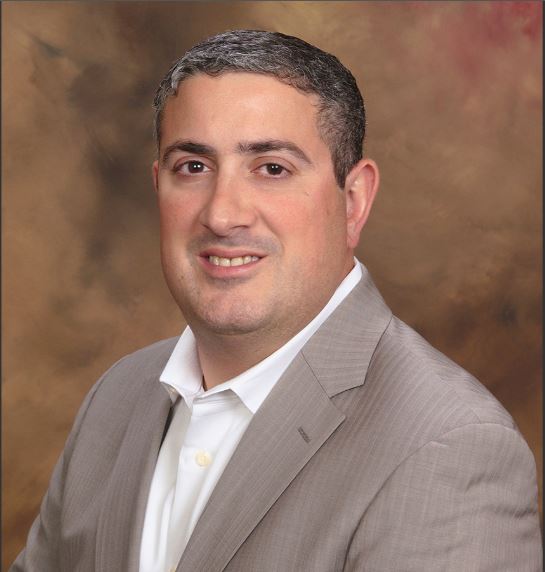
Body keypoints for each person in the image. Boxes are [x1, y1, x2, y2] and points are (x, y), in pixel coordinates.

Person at [11, 29, 541, 572]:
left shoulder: (449, 445)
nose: (222, 214)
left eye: (272, 169)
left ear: (353, 201)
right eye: (193, 167)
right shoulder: (116, 398)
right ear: (158, 186)